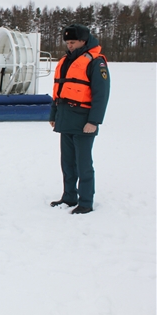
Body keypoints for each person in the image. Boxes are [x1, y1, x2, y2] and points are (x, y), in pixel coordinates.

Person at [49, 24, 110, 214]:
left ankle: (85, 202)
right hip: (66, 119)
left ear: (83, 41)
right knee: (67, 163)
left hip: (84, 122)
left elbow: (102, 95)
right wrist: (54, 115)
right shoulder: (66, 61)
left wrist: (94, 121)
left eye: (73, 42)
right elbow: (58, 90)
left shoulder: (96, 62)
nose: (70, 46)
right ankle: (69, 197)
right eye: (67, 42)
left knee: (83, 164)